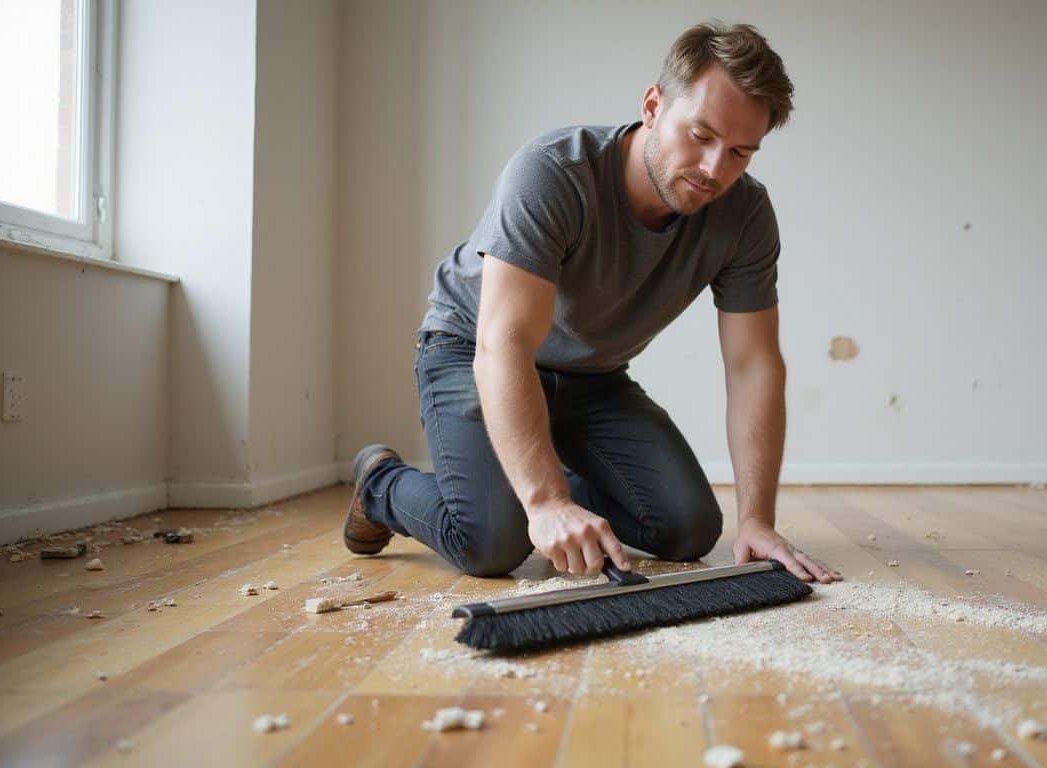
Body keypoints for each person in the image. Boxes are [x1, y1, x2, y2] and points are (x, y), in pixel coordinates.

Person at [345, 21, 841, 585]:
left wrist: (758, 520)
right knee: (492, 541)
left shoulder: (745, 214)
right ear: (653, 105)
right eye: (700, 136)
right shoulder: (553, 173)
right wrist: (545, 502)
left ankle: (530, 476)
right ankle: (380, 483)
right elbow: (502, 344)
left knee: (687, 528)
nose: (714, 170)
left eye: (740, 153)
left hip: (592, 377)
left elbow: (754, 365)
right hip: (471, 350)